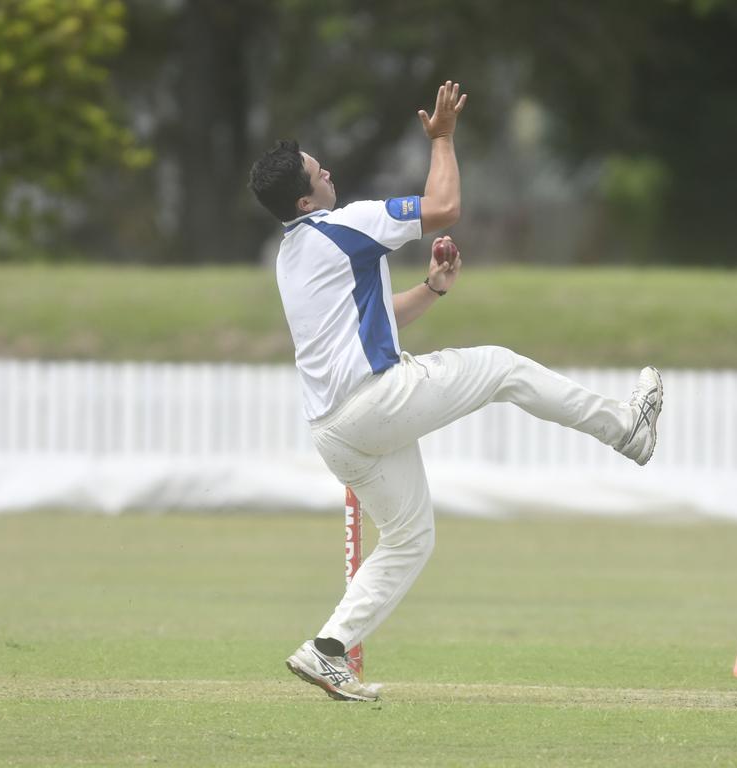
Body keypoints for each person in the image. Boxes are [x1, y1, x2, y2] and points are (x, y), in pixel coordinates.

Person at [247, 81, 664, 702]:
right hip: (374, 404)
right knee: (500, 366)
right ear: (307, 197)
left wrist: (433, 289)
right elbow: (443, 208)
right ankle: (625, 430)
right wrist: (441, 137)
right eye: (317, 169)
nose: (328, 168)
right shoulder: (345, 225)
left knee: (412, 537)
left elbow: (372, 321)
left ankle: (326, 650)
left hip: (335, 433)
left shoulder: (293, 254)